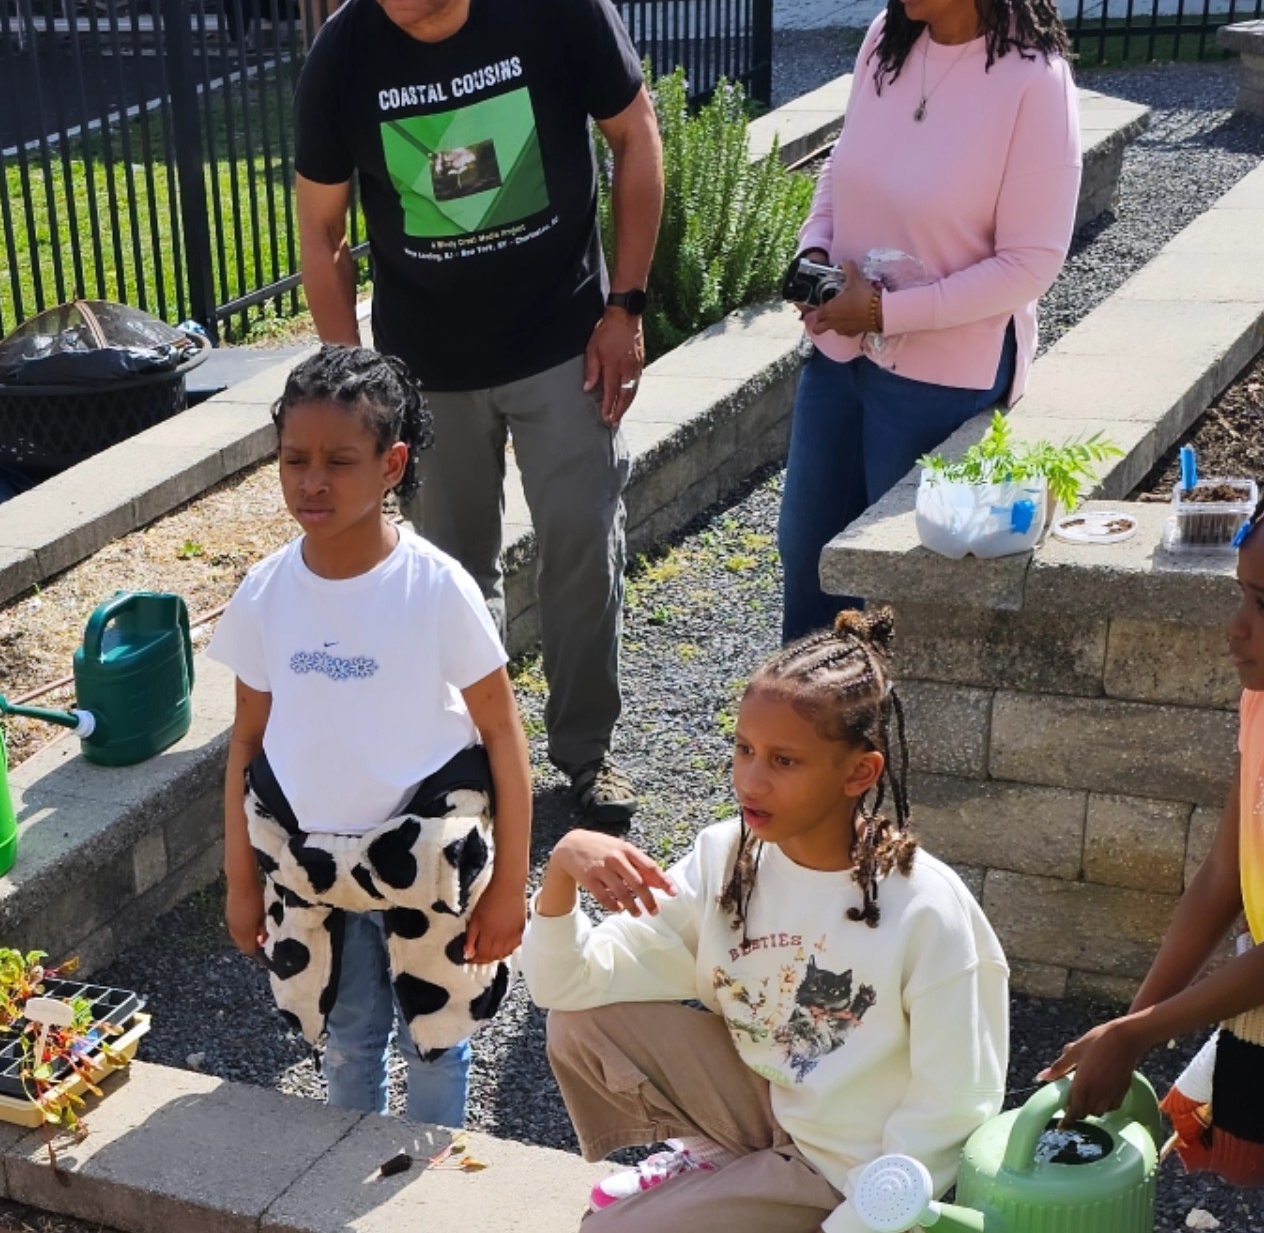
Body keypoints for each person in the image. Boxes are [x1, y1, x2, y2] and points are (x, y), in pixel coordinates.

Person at [293, 0, 664, 825]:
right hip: (427, 366)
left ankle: (586, 757)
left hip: (561, 341)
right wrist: (354, 380)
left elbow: (636, 139)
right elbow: (321, 232)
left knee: (581, 539)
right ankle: (475, 762)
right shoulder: (345, 56)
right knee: (453, 577)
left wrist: (625, 307)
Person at [519, 608, 1009, 1233]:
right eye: (744, 749)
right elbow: (563, 986)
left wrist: (861, 1221)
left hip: (845, 1170)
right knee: (580, 1024)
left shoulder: (928, 911)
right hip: (771, 1108)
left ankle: (756, 1195)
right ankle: (719, 1161)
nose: (751, 781)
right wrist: (562, 870)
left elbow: (954, 1108)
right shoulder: (727, 857)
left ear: (859, 773)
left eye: (784, 762)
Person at [209, 345, 532, 1128]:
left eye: (339, 461)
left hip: (427, 868)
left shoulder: (435, 587)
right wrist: (242, 879)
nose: (312, 481)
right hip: (313, 869)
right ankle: (341, 1171)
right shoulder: (266, 592)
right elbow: (247, 744)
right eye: (295, 459)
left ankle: (432, 1178)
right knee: (347, 1041)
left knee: (438, 1040)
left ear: (392, 465)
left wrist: (508, 885)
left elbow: (502, 734)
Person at [776, 0, 1081, 642]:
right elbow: (842, 166)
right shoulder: (886, 41)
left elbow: (1031, 264)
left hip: (941, 381)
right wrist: (815, 252)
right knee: (808, 566)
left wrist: (886, 312)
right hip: (840, 355)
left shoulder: (1033, 80)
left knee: (895, 604)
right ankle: (798, 724)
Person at [1041, 498, 1264, 1184]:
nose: (1235, 627)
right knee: (1240, 1165)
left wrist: (1138, 1032)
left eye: (1263, 604)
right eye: (1242, 595)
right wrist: (1126, 1032)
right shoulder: (1260, 700)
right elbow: (1224, 874)